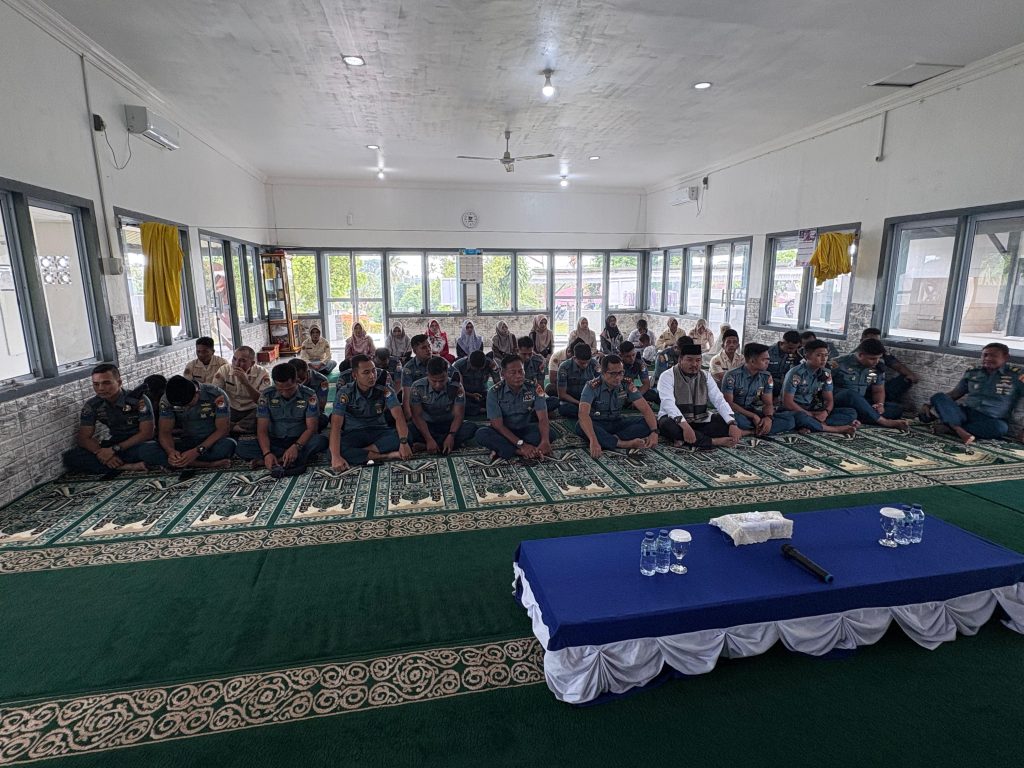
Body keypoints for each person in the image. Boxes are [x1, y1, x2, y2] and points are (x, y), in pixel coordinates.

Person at [63, 364, 165, 473]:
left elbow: (147, 433)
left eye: (106, 383)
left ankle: (116, 466)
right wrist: (101, 453)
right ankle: (126, 466)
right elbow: (83, 438)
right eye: (96, 384)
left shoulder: (138, 399)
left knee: (151, 450)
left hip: (138, 444)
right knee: (72, 456)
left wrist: (114, 449)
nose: (101, 388)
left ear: (119, 382)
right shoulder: (93, 405)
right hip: (115, 443)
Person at [919, 342, 1024, 444]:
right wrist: (928, 404)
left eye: (993, 356)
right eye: (985, 355)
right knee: (938, 397)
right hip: (965, 414)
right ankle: (957, 428)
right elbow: (955, 394)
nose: (987, 358)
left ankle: (950, 427)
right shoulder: (973, 372)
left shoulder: (1017, 375)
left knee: (1001, 429)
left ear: (1006, 357)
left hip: (991, 419)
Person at [234, 363, 327, 474]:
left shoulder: (309, 395)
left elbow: (311, 429)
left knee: (320, 441)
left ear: (296, 381)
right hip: (275, 441)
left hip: (299, 440)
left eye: (289, 389)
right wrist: (267, 453)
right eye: (280, 389)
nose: (285, 393)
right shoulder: (267, 396)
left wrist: (296, 447)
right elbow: (262, 430)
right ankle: (290, 459)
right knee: (241, 447)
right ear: (275, 383)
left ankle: (279, 459)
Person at [329, 354, 412, 469]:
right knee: (331, 453)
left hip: (379, 430)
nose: (372, 376)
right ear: (355, 375)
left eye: (374, 371)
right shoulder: (345, 392)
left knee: (408, 436)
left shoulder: (384, 389)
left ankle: (361, 453)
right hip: (354, 432)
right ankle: (387, 455)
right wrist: (335, 456)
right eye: (366, 372)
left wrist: (403, 443)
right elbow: (336, 425)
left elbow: (399, 416)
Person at [657, 341, 743, 449]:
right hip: (674, 419)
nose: (694, 364)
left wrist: (732, 423)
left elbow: (718, 400)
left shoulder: (705, 376)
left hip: (699, 418)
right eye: (689, 360)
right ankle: (713, 441)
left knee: (726, 422)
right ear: (680, 360)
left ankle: (688, 438)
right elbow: (668, 403)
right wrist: (685, 426)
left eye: (698, 360)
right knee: (668, 426)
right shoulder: (667, 376)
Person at [576, 354, 660, 458]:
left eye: (621, 372)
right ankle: (623, 443)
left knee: (650, 422)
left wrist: (654, 432)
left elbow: (645, 409)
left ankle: (612, 439)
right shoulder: (592, 386)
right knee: (581, 426)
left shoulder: (626, 383)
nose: (618, 377)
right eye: (613, 373)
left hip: (617, 422)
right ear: (603, 372)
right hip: (598, 423)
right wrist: (593, 440)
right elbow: (583, 414)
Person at [475, 355, 553, 461]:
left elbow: (543, 418)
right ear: (503, 374)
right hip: (503, 432)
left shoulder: (535, 388)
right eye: (513, 372)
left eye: (521, 371)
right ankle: (519, 451)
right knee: (482, 434)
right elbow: (498, 425)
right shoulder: (494, 392)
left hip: (524, 429)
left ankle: (504, 449)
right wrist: (522, 445)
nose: (518, 376)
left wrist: (545, 441)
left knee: (549, 433)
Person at [779, 340, 859, 435]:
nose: (823, 359)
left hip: (813, 408)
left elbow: (829, 399)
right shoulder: (796, 373)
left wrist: (826, 412)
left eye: (826, 355)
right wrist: (809, 414)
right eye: (819, 355)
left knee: (851, 412)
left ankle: (811, 424)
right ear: (807, 356)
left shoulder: (826, 373)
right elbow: (787, 403)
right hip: (795, 409)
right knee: (797, 417)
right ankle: (833, 428)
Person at [158, 376, 238, 469]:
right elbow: (165, 431)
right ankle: (208, 464)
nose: (186, 408)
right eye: (181, 407)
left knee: (229, 445)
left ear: (197, 393)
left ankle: (185, 462)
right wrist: (171, 451)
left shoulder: (216, 394)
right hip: (185, 441)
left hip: (211, 442)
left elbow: (222, 430)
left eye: (188, 405)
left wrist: (198, 451)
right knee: (153, 448)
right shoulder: (166, 400)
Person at [831, 339, 909, 430]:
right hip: (838, 401)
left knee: (896, 409)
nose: (876, 361)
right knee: (850, 394)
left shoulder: (877, 367)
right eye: (872, 359)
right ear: (860, 355)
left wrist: (879, 404)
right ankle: (883, 421)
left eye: (878, 358)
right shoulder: (839, 363)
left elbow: (878, 390)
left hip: (861, 402)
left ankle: (861, 415)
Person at [721, 343, 795, 436]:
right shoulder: (732, 376)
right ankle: (756, 430)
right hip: (735, 411)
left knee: (789, 421)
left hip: (751, 409)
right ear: (752, 361)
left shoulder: (766, 376)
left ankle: (752, 430)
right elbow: (728, 404)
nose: (768, 362)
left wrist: (768, 418)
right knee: (734, 420)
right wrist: (753, 416)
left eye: (768, 359)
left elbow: (768, 403)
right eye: (764, 360)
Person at [408, 357, 478, 453]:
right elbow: (417, 416)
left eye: (441, 381)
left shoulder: (457, 387)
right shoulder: (417, 387)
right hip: (427, 426)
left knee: (471, 428)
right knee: (408, 430)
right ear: (427, 375)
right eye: (434, 381)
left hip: (448, 425)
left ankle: (426, 446)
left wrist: (451, 435)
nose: (438, 385)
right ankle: (441, 444)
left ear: (447, 374)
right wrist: (428, 438)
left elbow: (458, 415)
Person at [212, 346, 270, 435]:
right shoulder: (224, 370)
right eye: (234, 359)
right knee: (210, 411)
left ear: (252, 363)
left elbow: (262, 401)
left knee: (266, 409)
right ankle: (240, 428)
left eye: (242, 361)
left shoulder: (263, 373)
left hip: (251, 409)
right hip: (231, 408)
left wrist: (246, 383)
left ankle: (230, 427)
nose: (236, 364)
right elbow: (215, 393)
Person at [860, 327, 919, 402]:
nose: (874, 344)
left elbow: (895, 364)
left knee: (906, 380)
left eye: (877, 342)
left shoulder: (881, 353)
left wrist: (910, 375)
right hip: (863, 390)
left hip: (879, 387)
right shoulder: (855, 356)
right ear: (861, 341)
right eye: (870, 341)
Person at [451, 350, 500, 416]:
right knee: (458, 403)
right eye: (476, 369)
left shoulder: (490, 363)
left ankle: (484, 408)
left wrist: (497, 395)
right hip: (465, 394)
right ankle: (484, 409)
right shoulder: (458, 366)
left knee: (497, 400)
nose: (478, 371)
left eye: (481, 369)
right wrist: (471, 395)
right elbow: (458, 388)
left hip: (483, 393)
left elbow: (498, 381)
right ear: (470, 363)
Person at [556, 343, 600, 418]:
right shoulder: (564, 367)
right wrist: (580, 403)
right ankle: (590, 414)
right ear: (574, 358)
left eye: (587, 362)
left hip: (589, 399)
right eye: (582, 363)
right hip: (572, 401)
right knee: (564, 408)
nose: (585, 365)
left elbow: (601, 383)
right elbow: (562, 395)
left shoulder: (594, 364)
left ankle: (589, 413)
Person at [292, 357, 330, 430]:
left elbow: (321, 406)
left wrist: (301, 388)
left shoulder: (321, 380)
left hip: (312, 412)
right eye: (295, 378)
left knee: (323, 419)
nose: (298, 380)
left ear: (307, 371)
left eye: (300, 377)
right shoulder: (287, 379)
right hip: (292, 412)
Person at [402, 334, 433, 418]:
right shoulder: (409, 368)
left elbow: (455, 381)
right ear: (415, 351)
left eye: (429, 346)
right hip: (420, 406)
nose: (428, 349)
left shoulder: (440, 362)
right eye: (423, 347)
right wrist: (409, 417)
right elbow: (407, 395)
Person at [767, 331, 803, 396]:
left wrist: (799, 357)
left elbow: (803, 367)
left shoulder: (796, 355)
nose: (793, 351)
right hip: (767, 384)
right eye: (790, 348)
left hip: (785, 385)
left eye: (796, 348)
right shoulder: (768, 352)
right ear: (782, 343)